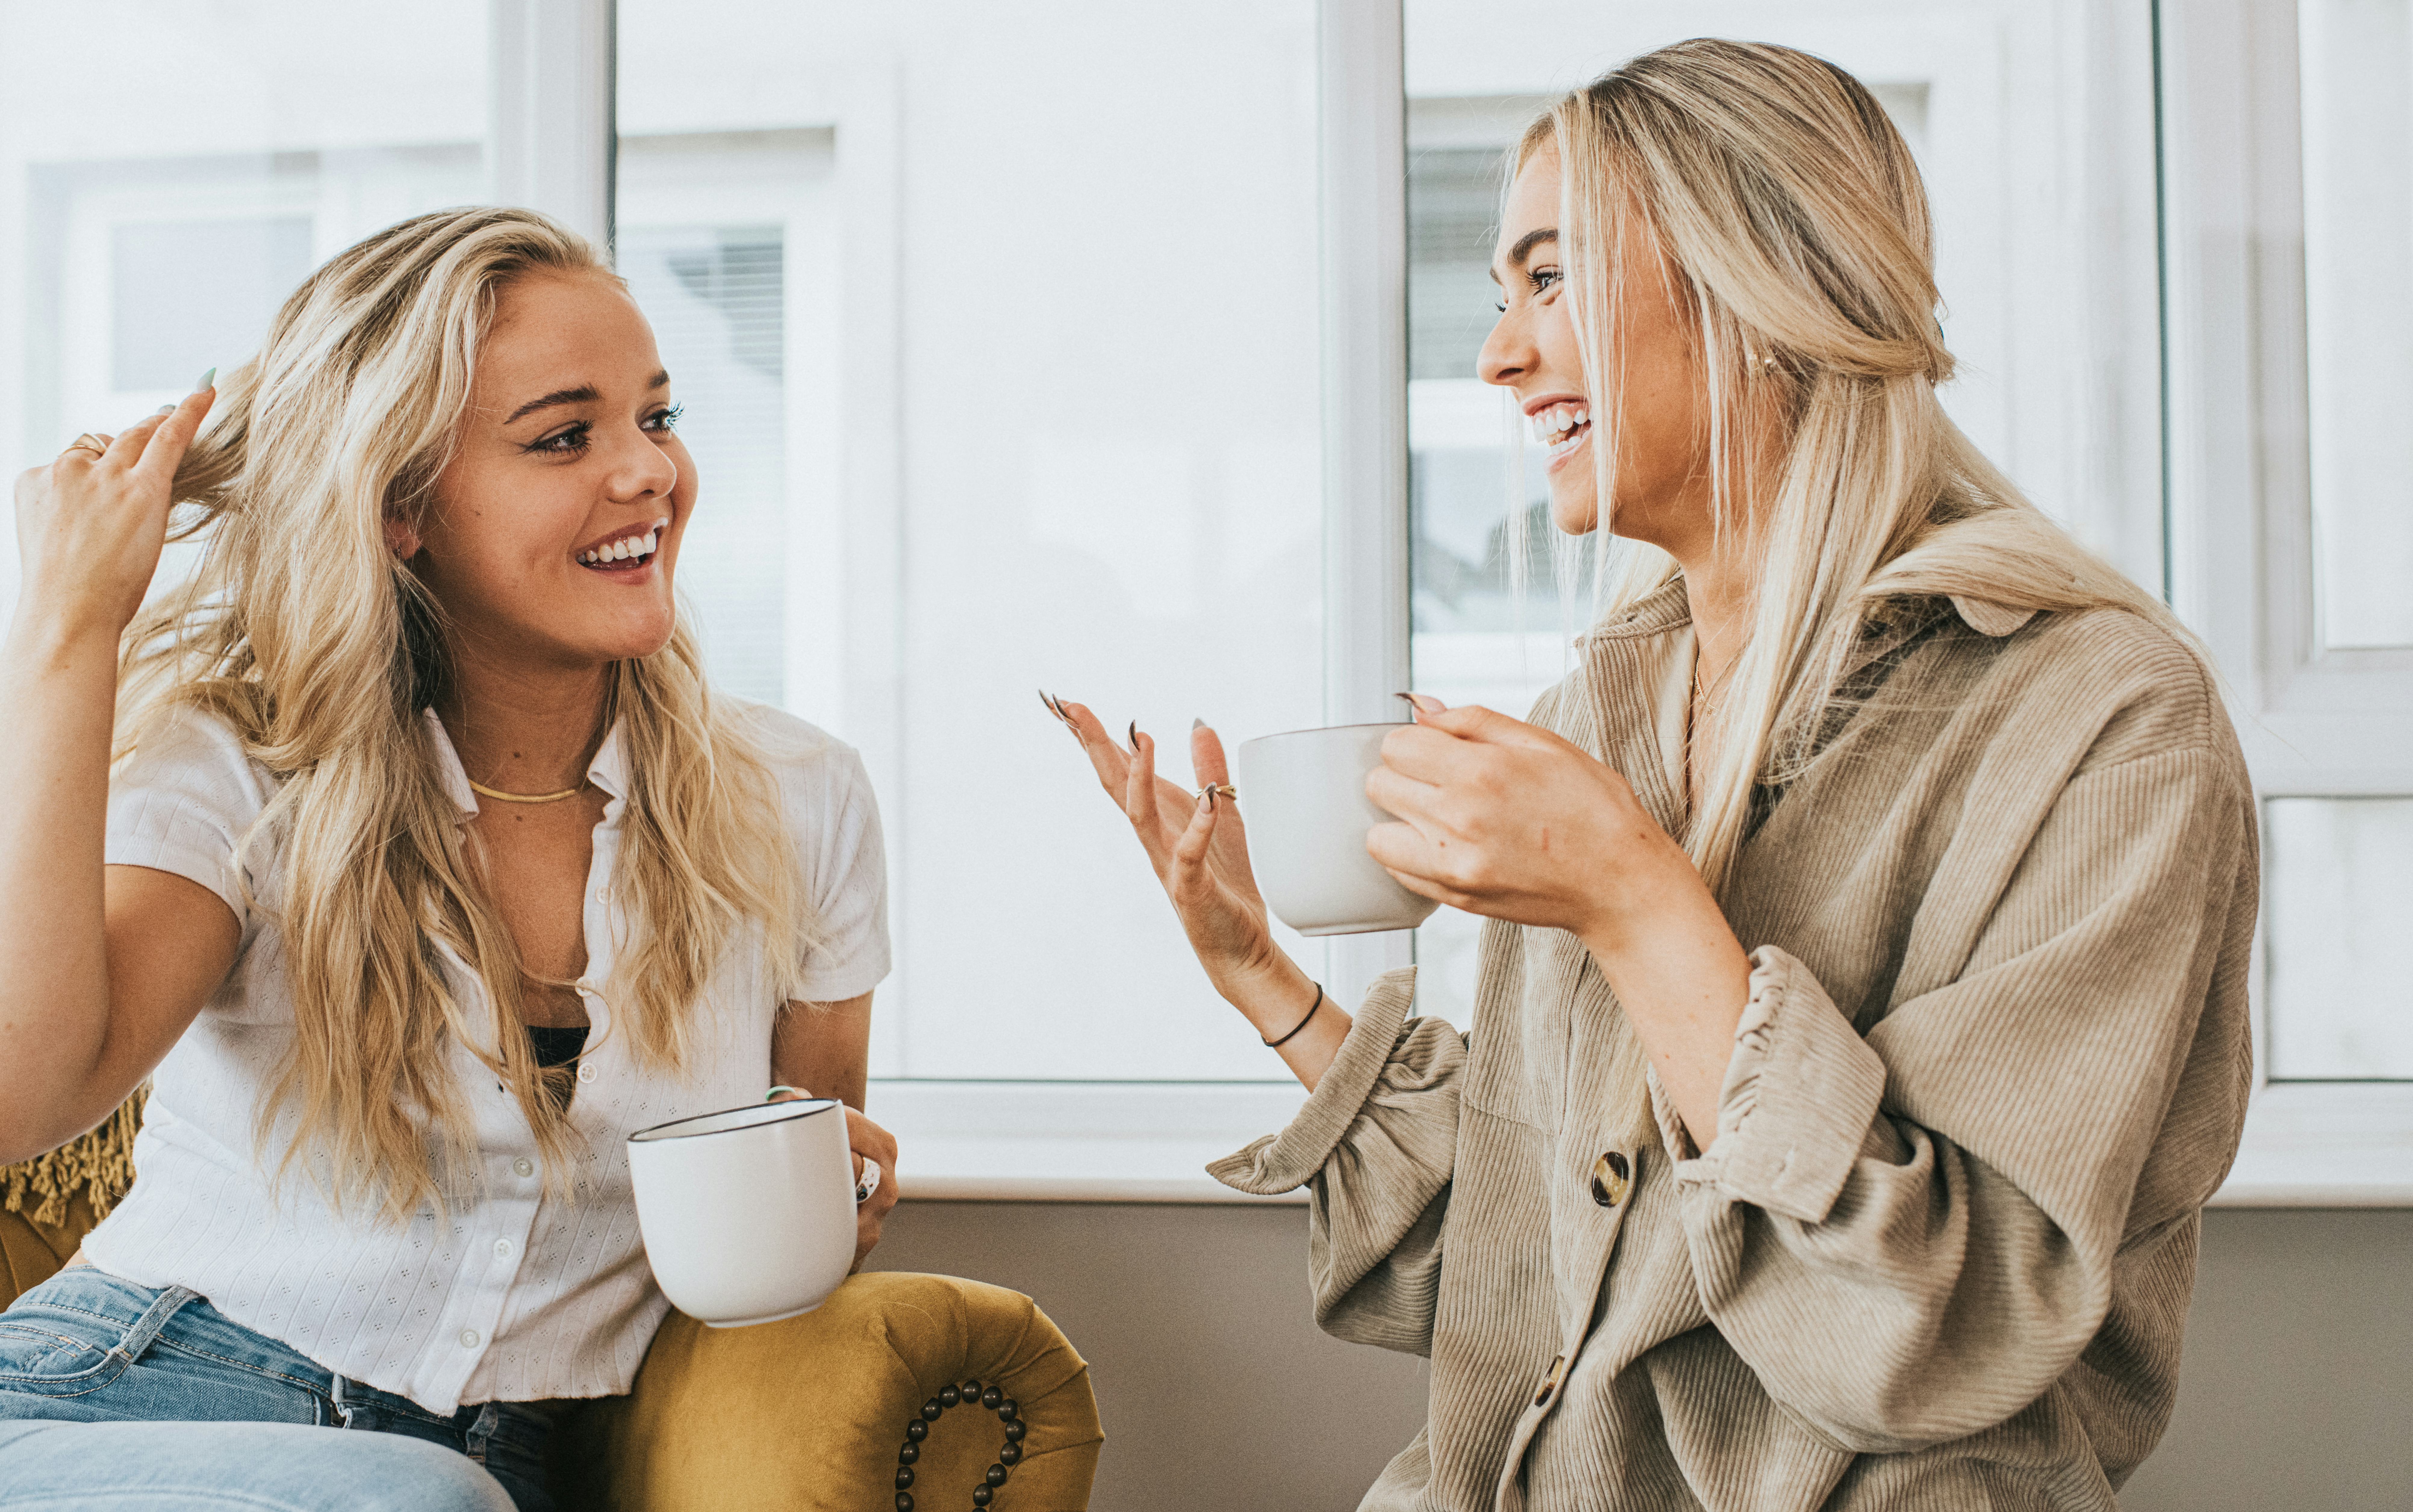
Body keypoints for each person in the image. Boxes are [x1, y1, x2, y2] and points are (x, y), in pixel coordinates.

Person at [1048, 38, 2255, 1512]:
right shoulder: (1607, 712)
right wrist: (1262, 977)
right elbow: (1538, 1260)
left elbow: (1942, 1333)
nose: (1497, 356)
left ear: (1764, 281)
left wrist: (1635, 899)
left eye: (1549, 279)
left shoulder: (2105, 722)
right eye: (1500, 296)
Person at [0, 207, 899, 1511]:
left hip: (477, 1478)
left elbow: (788, 1222)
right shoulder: (246, 772)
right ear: (402, 506)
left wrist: (828, 1203)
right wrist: (73, 621)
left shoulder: (801, 801)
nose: (650, 472)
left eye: (658, 414)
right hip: (118, 1408)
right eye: (564, 436)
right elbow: (30, 1095)